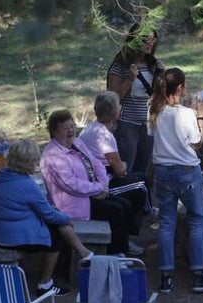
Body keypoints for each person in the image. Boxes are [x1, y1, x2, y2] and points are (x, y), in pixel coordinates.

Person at [0, 138, 91, 296]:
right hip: (11, 238)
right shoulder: (28, 185)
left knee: (57, 225)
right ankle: (45, 283)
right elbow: (49, 214)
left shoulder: (2, 175)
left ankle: (85, 254)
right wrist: (66, 218)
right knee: (56, 237)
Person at [149, 67, 203, 294]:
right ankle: (198, 274)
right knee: (197, 218)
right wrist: (200, 116)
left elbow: (153, 135)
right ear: (180, 87)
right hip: (186, 171)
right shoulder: (186, 114)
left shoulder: (153, 108)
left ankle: (166, 277)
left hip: (161, 170)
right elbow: (197, 142)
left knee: (167, 222)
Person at [41, 109, 144, 257]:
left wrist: (104, 184)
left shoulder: (77, 143)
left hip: (91, 193)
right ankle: (116, 252)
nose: (71, 131)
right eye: (65, 128)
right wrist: (98, 188)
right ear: (54, 132)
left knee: (126, 205)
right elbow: (71, 185)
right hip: (74, 203)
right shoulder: (53, 156)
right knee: (116, 210)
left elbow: (96, 163)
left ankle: (123, 245)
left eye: (72, 126)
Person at [78, 92, 151, 254]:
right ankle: (147, 215)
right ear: (116, 113)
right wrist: (123, 163)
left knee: (138, 181)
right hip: (102, 184)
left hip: (95, 179)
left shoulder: (90, 128)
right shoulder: (104, 136)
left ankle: (128, 234)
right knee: (141, 184)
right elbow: (120, 171)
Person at [106, 23, 165, 179]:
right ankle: (125, 201)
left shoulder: (152, 64)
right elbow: (111, 98)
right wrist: (129, 80)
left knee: (143, 171)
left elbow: (158, 95)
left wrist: (162, 76)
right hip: (127, 125)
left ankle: (141, 201)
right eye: (146, 40)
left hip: (149, 125)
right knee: (125, 170)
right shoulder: (121, 65)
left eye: (153, 40)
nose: (150, 44)